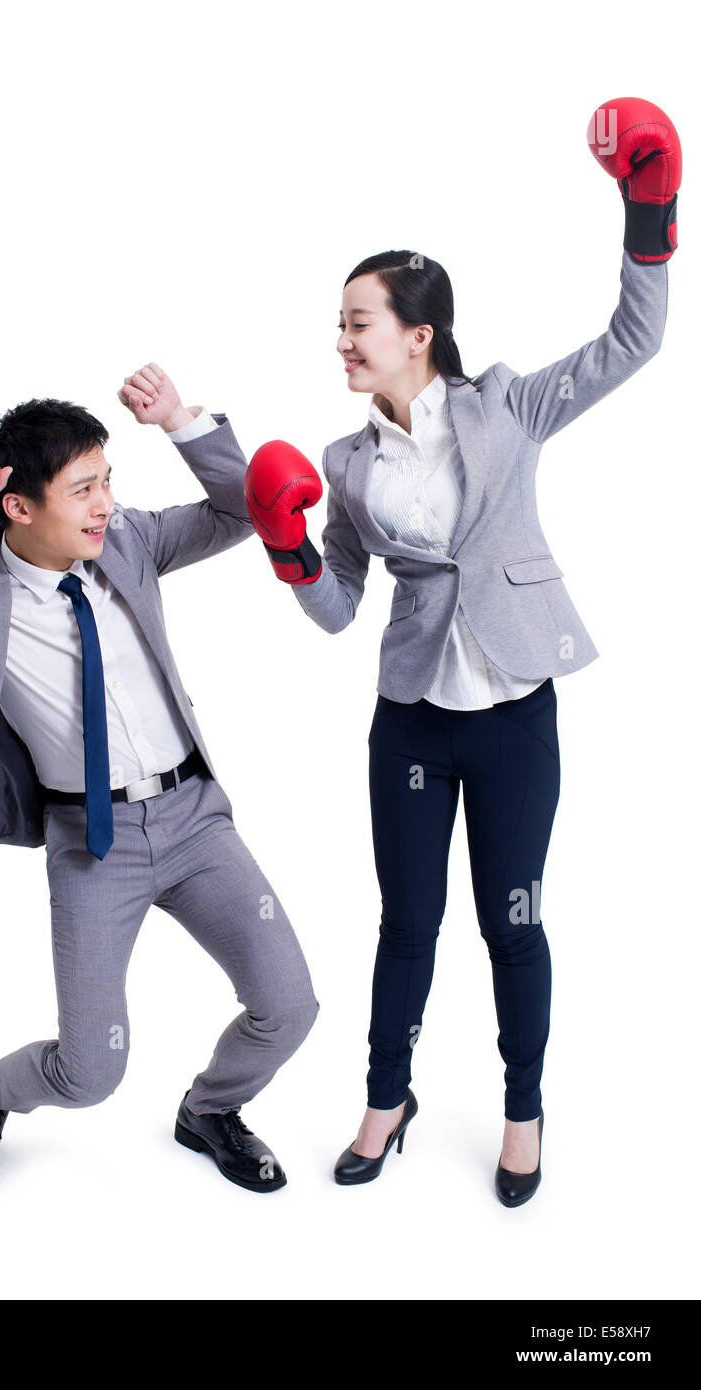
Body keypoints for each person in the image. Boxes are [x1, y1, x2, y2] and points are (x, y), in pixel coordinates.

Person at [244, 97, 678, 1204]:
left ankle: (522, 1106)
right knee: (405, 922)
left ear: (416, 334)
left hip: (516, 714)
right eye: (338, 323)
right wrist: (291, 550)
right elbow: (339, 606)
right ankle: (386, 1097)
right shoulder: (344, 462)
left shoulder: (508, 409)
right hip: (411, 720)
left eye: (356, 322)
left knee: (513, 925)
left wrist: (647, 212)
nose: (339, 340)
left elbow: (633, 341)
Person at [0, 366, 319, 1194]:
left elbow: (238, 512)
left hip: (194, 821)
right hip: (92, 844)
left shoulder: (129, 541)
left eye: (107, 480)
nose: (104, 502)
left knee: (289, 1007)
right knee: (90, 1072)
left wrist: (181, 421)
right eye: (82, 489)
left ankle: (210, 1110)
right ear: (18, 507)